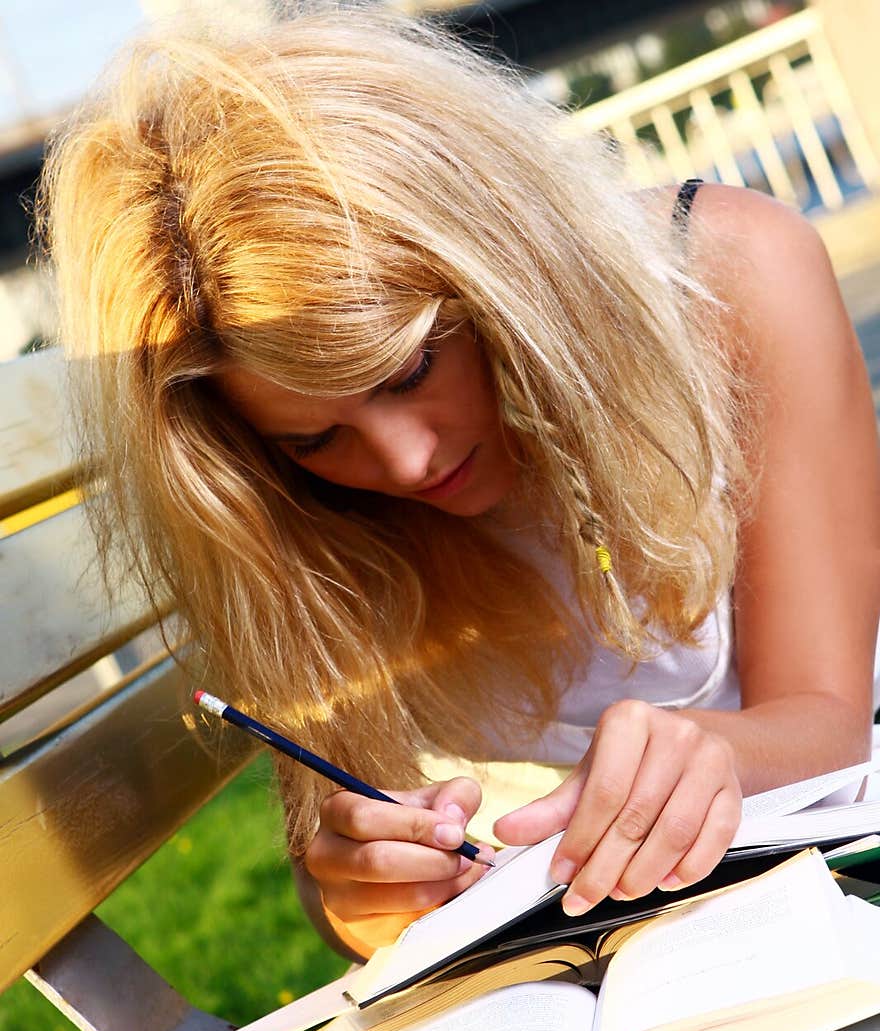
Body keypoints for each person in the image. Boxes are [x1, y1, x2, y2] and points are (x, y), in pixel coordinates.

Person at [37, 1, 880, 964]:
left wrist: (720, 750)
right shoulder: (288, 519)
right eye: (315, 440)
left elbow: (829, 721)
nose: (403, 463)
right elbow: (342, 853)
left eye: (409, 371)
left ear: (500, 272)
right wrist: (368, 889)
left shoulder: (728, 269)